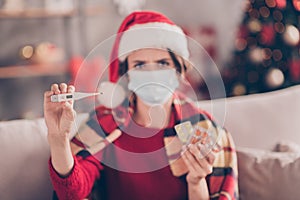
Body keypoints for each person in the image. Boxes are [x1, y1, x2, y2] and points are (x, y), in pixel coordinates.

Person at [44, 11, 238, 200]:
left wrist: (196, 182)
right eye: (140, 65)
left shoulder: (205, 130)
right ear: (126, 73)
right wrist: (59, 140)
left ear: (179, 70)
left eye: (163, 63)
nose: (152, 74)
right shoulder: (105, 123)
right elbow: (72, 193)